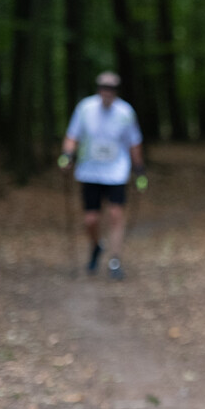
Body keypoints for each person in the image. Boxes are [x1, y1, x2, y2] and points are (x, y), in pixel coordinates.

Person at [58, 72, 146, 281]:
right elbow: (72, 136)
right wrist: (66, 155)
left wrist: (139, 170)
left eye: (111, 88)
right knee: (91, 219)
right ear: (98, 89)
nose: (107, 92)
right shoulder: (85, 108)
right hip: (89, 172)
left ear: (116, 91)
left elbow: (134, 142)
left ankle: (115, 260)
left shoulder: (125, 112)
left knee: (116, 215)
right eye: (104, 87)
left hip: (116, 173)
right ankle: (96, 245)